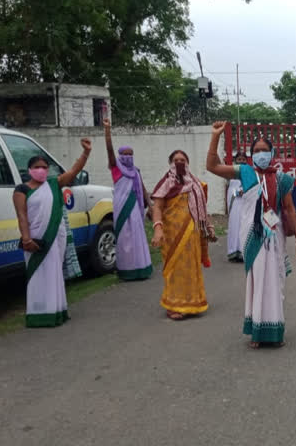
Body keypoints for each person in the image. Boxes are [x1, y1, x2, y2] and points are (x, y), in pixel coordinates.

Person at [206, 122, 296, 348]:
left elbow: (289, 209)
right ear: (252, 154)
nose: (261, 154)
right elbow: (212, 166)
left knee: (275, 280)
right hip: (253, 235)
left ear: (272, 153)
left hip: (275, 236)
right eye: (257, 150)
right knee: (256, 281)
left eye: (264, 150)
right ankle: (257, 332)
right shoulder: (245, 171)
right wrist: (214, 137)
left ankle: (275, 330)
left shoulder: (283, 179)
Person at [13, 138, 92, 327]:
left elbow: (73, 171)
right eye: (37, 167)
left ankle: (57, 312)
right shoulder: (21, 189)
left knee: (54, 273)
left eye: (44, 167)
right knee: (37, 276)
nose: (41, 170)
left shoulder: (53, 184)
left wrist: (86, 153)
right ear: (30, 169)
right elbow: (22, 215)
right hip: (34, 240)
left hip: (54, 238)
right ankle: (38, 313)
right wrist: (26, 238)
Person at [151, 150, 215, 320]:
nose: (179, 162)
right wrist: (157, 228)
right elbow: (157, 207)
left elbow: (202, 210)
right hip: (172, 234)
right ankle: (174, 305)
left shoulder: (196, 184)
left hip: (192, 234)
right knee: (175, 268)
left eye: (183, 160)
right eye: (175, 160)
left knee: (191, 267)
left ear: (188, 163)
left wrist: (209, 227)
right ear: (170, 163)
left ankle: (194, 302)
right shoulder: (166, 183)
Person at [103, 118, 153, 281]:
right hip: (122, 207)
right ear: (119, 155)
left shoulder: (136, 171)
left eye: (130, 154)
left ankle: (141, 268)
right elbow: (109, 150)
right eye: (124, 154)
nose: (128, 157)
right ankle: (126, 270)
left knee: (138, 237)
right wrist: (107, 131)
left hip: (136, 208)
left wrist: (150, 206)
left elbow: (144, 189)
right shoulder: (116, 167)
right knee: (125, 238)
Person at [226, 151, 248, 262]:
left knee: (244, 228)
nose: (242, 161)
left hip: (245, 206)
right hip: (235, 206)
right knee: (235, 228)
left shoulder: (250, 174)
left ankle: (243, 252)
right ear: (235, 161)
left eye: (244, 159)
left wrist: (246, 191)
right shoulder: (230, 174)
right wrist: (236, 193)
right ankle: (233, 252)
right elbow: (229, 191)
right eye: (239, 159)